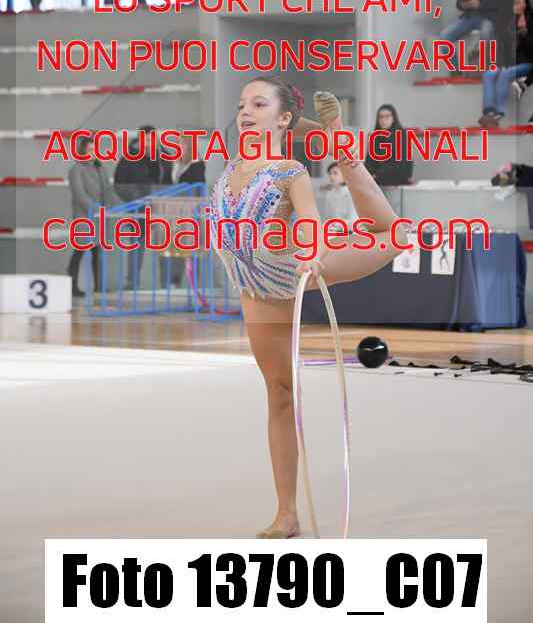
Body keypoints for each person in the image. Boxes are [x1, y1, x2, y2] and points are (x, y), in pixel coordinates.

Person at [209, 81, 408, 538]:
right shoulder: (232, 165)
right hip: (254, 288)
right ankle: (287, 513)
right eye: (241, 105)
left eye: (258, 104)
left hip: (296, 268)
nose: (245, 111)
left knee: (396, 235)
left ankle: (345, 150)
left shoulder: (290, 171)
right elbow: (287, 125)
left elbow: (309, 220)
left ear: (281, 119)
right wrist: (309, 124)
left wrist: (314, 252)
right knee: (279, 393)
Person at [114, 125, 168, 290]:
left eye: (152, 140)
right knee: (137, 244)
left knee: (164, 245)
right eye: (146, 140)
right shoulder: (128, 159)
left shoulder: (165, 157)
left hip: (161, 209)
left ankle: (167, 284)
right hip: (138, 210)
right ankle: (132, 282)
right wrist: (135, 198)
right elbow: (119, 185)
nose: (149, 144)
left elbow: (171, 180)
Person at [67, 136, 119, 297]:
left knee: (98, 252)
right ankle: (72, 285)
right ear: (82, 151)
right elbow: (80, 195)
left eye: (95, 149)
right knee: (80, 250)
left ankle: (99, 285)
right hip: (84, 217)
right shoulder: (76, 170)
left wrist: (113, 206)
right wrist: (97, 209)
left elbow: (108, 190)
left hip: (100, 217)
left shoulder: (101, 168)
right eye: (90, 149)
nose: (93, 152)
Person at [479, 0, 533, 127]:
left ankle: (500, 113)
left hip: (526, 63)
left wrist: (524, 32)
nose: (521, 5)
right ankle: (489, 112)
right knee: (488, 74)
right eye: (517, 2)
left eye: (523, 2)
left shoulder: (530, 21)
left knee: (504, 74)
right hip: (508, 63)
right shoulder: (506, 23)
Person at [159, 136, 207, 290]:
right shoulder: (172, 164)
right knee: (174, 247)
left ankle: (194, 284)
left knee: (191, 248)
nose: (179, 148)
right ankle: (174, 282)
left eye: (183, 145)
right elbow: (164, 185)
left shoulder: (197, 164)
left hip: (190, 212)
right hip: (172, 212)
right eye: (178, 145)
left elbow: (195, 185)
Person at [364, 104, 414, 186]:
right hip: (377, 180)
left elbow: (400, 162)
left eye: (387, 117)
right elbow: (369, 160)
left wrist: (377, 174)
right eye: (381, 117)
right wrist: (369, 174)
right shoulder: (376, 137)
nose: (383, 120)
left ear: (393, 118)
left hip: (397, 179)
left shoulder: (402, 135)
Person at [320, 162, 358, 232]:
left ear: (344, 175)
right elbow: (327, 218)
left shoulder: (350, 193)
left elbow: (353, 219)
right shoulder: (329, 195)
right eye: (330, 174)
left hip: (349, 231)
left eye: (335, 173)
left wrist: (337, 225)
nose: (331, 176)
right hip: (333, 230)